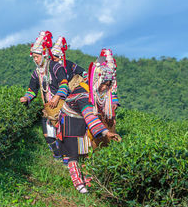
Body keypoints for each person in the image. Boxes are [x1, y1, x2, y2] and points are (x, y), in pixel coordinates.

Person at [57, 61, 121, 194]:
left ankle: (88, 180)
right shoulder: (84, 93)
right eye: (104, 84)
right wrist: (106, 133)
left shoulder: (93, 90)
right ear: (97, 80)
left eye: (107, 85)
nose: (104, 87)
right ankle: (78, 184)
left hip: (81, 120)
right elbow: (89, 115)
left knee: (86, 152)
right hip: (69, 120)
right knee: (73, 153)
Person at [20, 31, 69, 159]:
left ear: (44, 55)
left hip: (62, 106)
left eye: (37, 57)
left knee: (64, 134)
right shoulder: (36, 73)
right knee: (48, 136)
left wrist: (56, 98)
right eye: (34, 57)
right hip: (48, 107)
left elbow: (64, 84)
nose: (35, 60)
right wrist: (26, 97)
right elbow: (32, 90)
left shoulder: (56, 67)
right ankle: (58, 158)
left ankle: (67, 158)